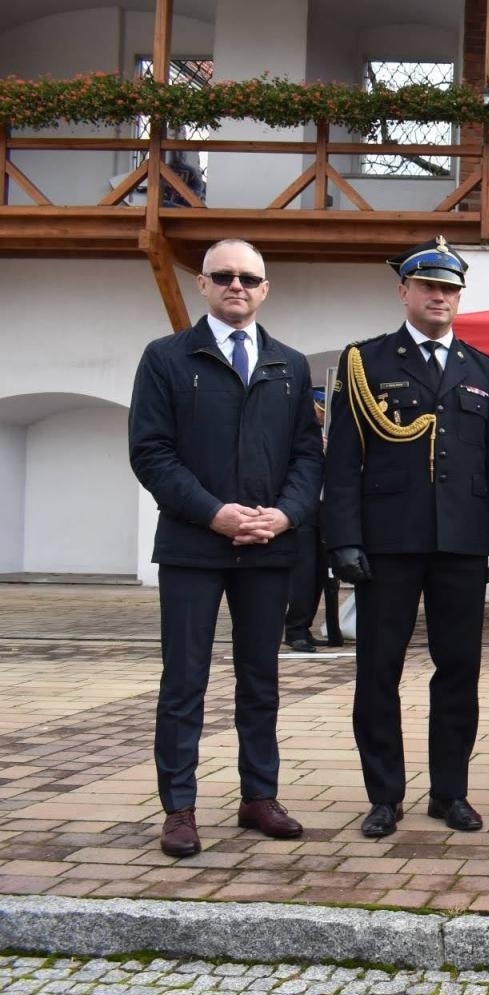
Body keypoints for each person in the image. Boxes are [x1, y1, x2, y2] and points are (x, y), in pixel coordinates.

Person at [322, 237, 489, 838]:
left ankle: (449, 792)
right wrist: (343, 539)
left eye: (451, 288)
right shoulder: (366, 361)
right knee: (378, 670)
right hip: (387, 542)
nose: (441, 297)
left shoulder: (482, 369)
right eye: (430, 287)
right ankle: (384, 795)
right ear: (404, 291)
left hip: (461, 542)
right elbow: (343, 461)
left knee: (458, 670)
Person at [128, 238, 322, 858]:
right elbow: (150, 452)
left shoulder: (290, 365)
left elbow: (307, 456)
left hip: (267, 549)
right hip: (192, 547)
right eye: (224, 276)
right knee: (185, 681)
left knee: (260, 679)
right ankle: (179, 808)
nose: (237, 286)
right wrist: (213, 513)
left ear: (265, 289)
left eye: (249, 278)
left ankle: (258, 796)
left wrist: (286, 516)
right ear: (204, 286)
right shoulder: (165, 358)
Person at [283, 387, 342, 653]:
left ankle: (306, 627)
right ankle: (295, 630)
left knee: (320, 573)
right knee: (303, 574)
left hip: (325, 510)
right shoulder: (296, 436)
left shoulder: (330, 437)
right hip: (303, 511)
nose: (321, 416)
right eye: (319, 411)